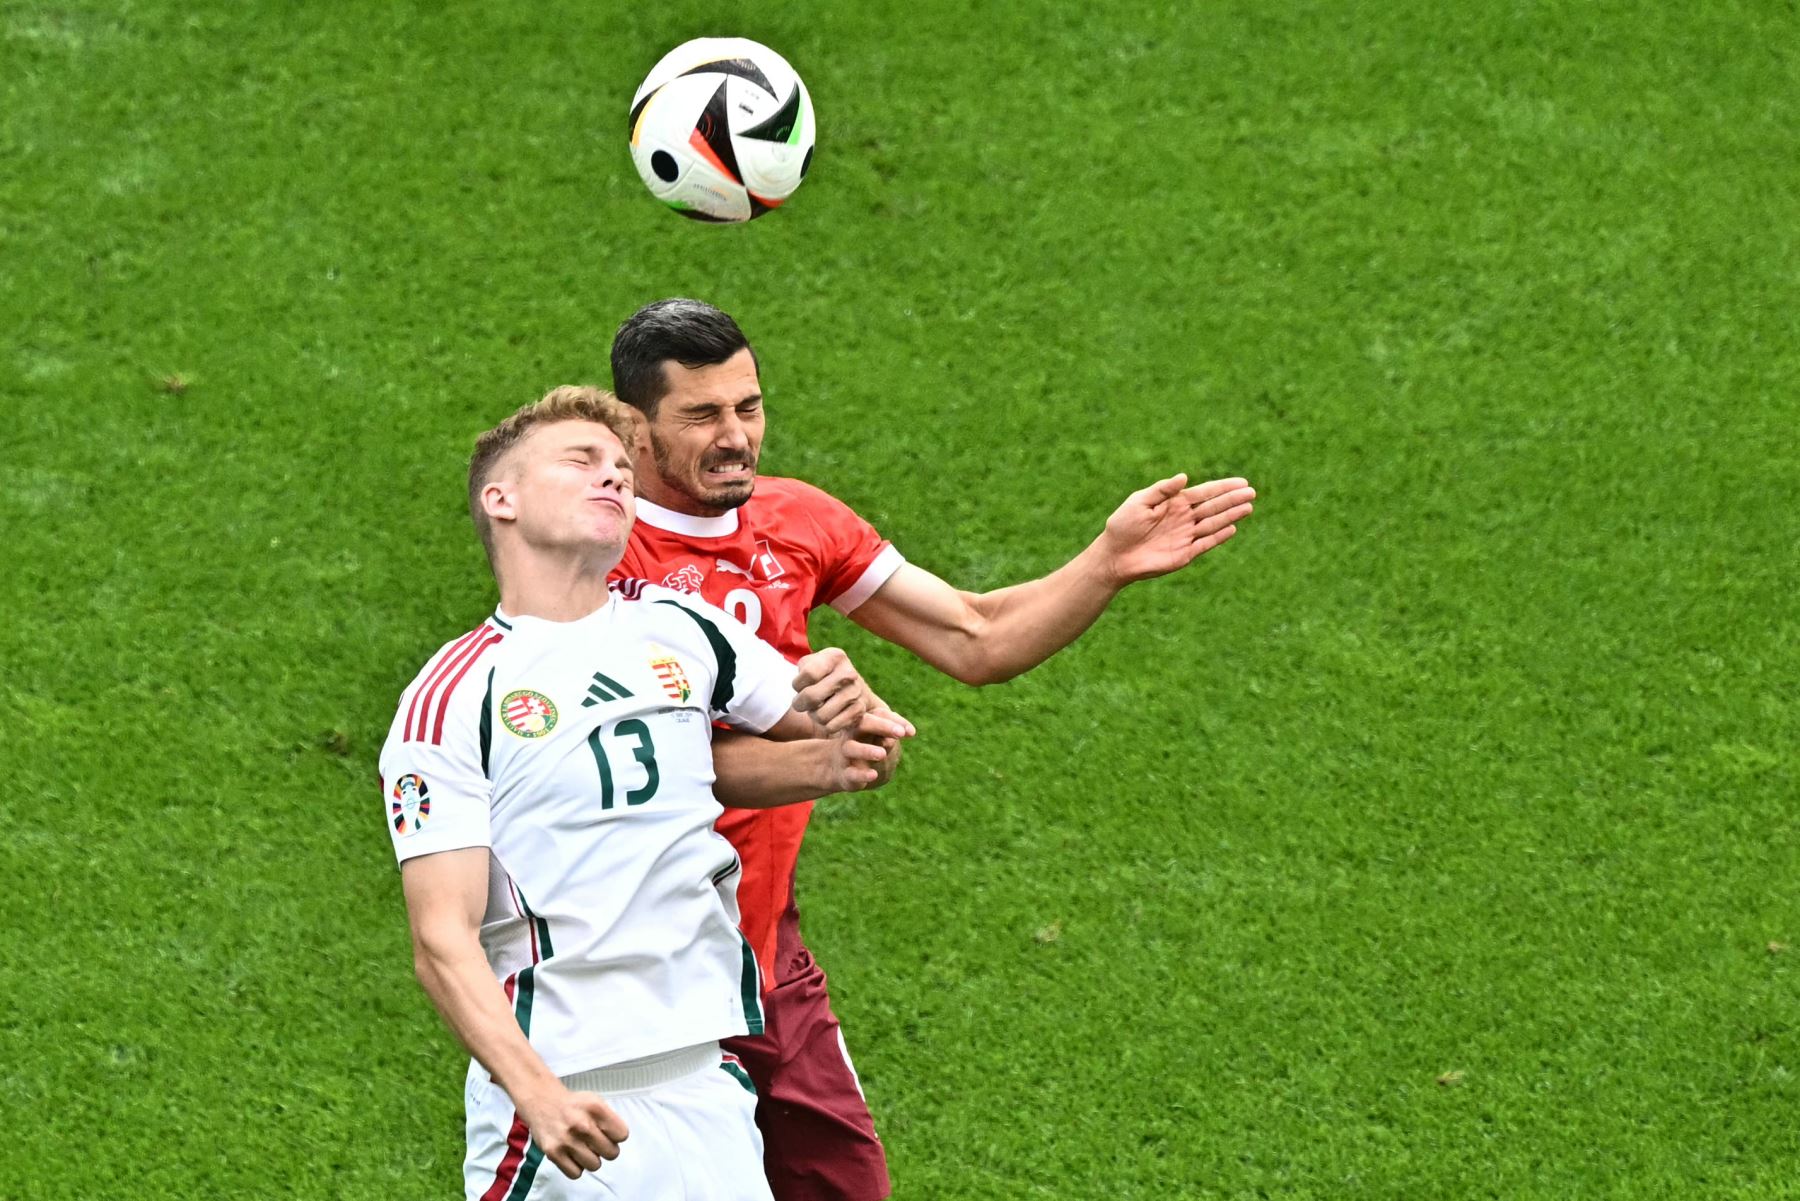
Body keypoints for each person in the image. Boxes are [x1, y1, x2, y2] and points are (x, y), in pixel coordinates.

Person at [607, 299, 1258, 1201]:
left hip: (763, 953)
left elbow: (976, 636)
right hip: (637, 973)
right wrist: (818, 758)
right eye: (703, 416)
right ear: (635, 429)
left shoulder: (796, 522)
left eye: (748, 408)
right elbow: (646, 771)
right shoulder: (599, 559)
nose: (736, 438)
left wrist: (1103, 562)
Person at [377, 386, 911, 1200]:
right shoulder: (454, 693)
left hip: (708, 1085)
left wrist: (852, 711)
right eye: (581, 460)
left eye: (624, 468)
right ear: (501, 498)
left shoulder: (681, 626)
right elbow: (441, 940)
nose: (614, 478)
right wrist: (537, 1094)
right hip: (563, 1103)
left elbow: (857, 741)